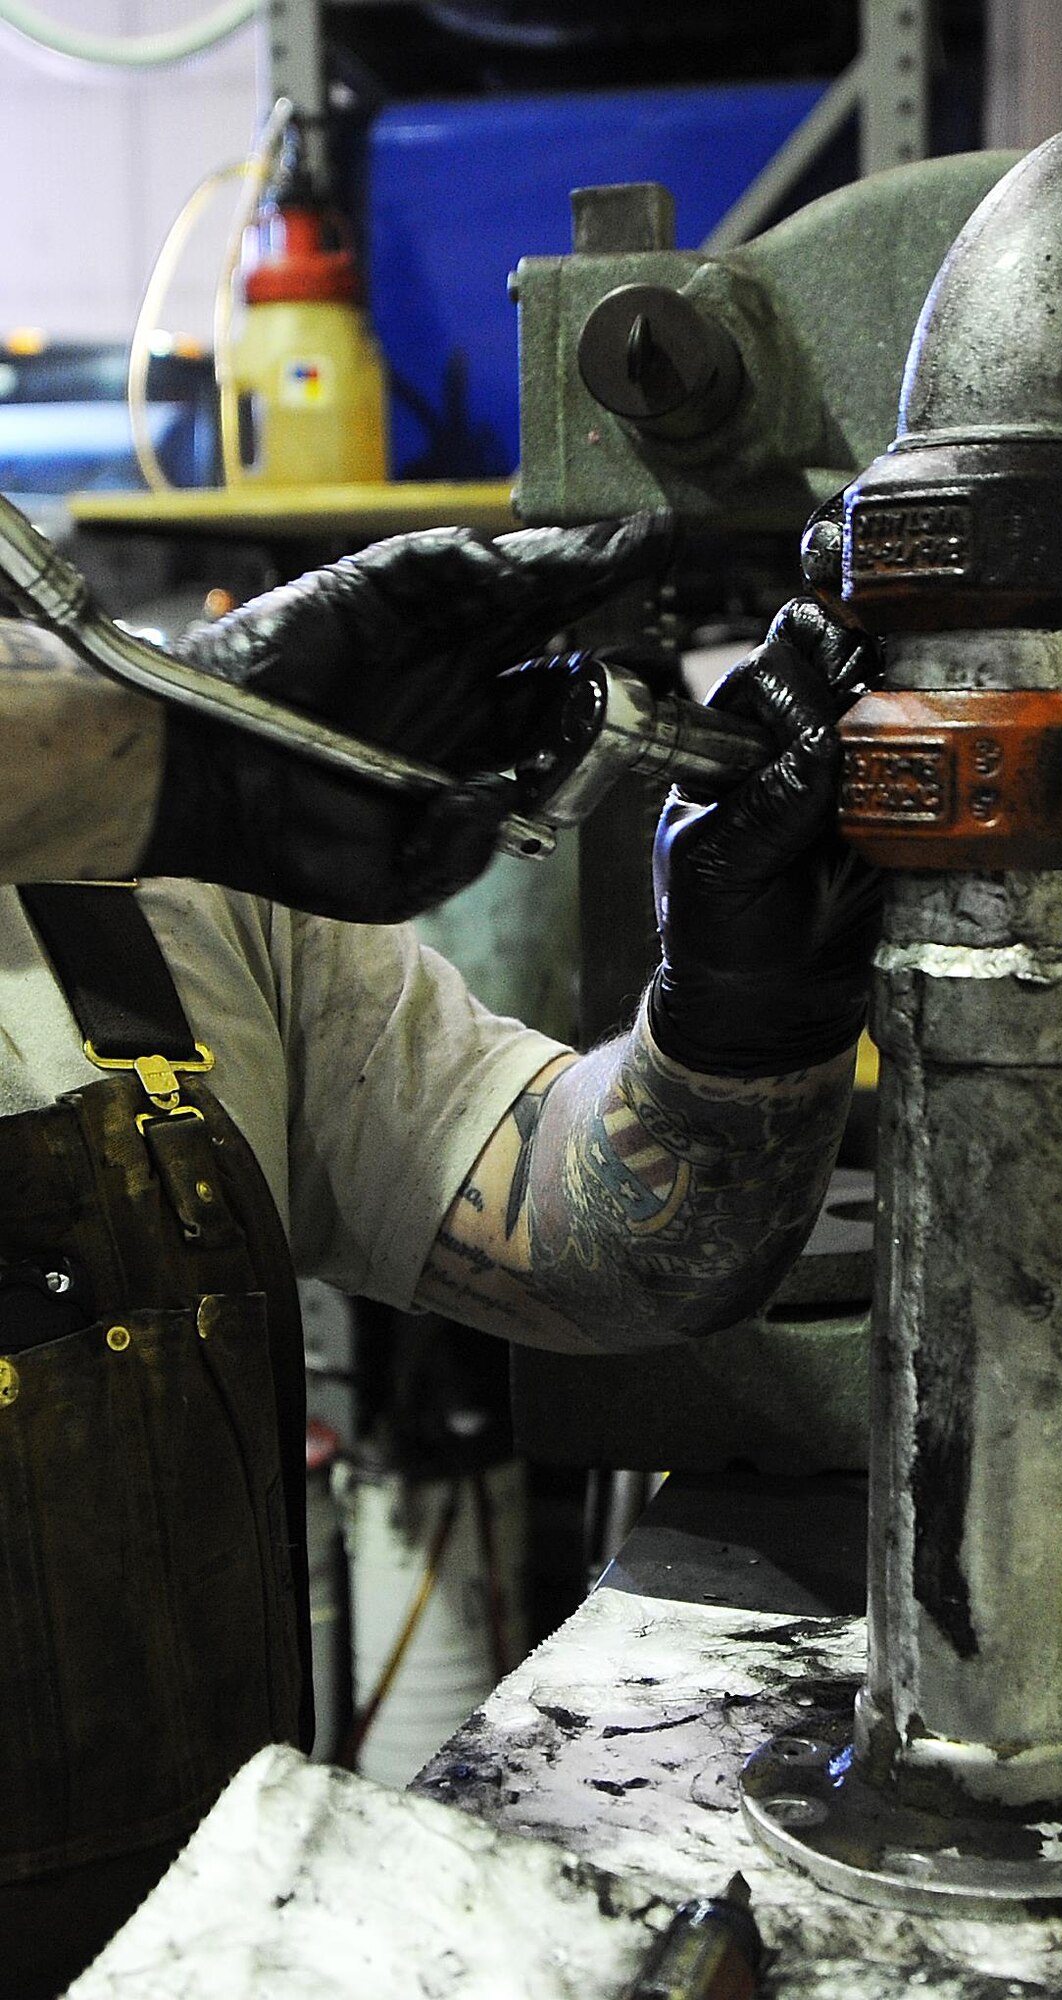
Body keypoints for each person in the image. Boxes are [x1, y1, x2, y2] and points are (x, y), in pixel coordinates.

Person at [0, 516, 882, 1999]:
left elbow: (586, 1235)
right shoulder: (152, 763)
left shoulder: (172, 879)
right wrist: (154, 745)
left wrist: (739, 1021)